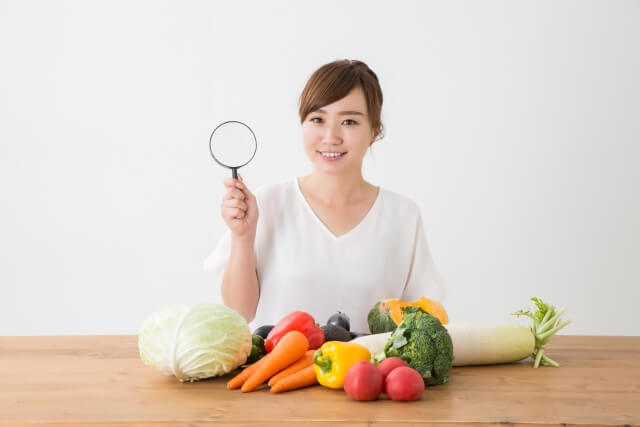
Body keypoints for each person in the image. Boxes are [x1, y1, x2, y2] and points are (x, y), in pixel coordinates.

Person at [204, 59, 445, 333]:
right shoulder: (268, 203)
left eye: (349, 121)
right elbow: (238, 313)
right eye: (317, 119)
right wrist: (242, 236)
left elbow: (424, 320)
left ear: (374, 132)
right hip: (273, 374)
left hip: (365, 375)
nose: (331, 136)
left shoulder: (403, 215)